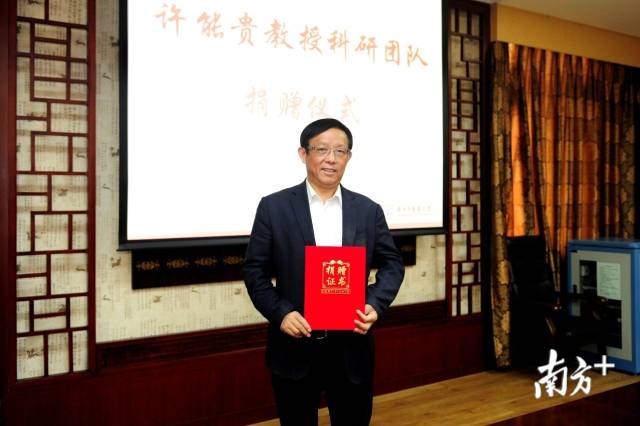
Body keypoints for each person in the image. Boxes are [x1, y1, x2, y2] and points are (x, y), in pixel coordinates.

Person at [243, 118, 404, 425]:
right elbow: (254, 271)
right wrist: (281, 313)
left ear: (348, 157)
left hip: (352, 347)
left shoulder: (368, 210)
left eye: (340, 151)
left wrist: (375, 303)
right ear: (303, 154)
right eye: (322, 149)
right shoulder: (274, 207)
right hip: (294, 345)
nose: (331, 158)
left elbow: (392, 263)